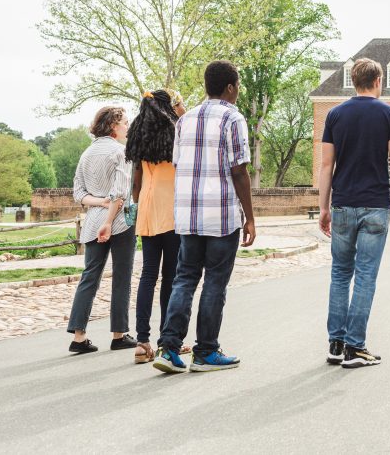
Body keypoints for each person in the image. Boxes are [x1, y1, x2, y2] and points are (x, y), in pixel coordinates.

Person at [153, 60, 256, 374]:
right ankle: (206, 351)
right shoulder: (232, 117)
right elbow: (239, 170)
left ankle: (168, 348)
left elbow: (178, 163)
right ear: (229, 87)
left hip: (188, 212)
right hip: (221, 214)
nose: (238, 91)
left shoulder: (186, 119)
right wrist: (250, 217)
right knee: (214, 282)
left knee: (185, 278)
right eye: (237, 86)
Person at [318, 58, 390, 369]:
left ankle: (335, 343)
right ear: (378, 80)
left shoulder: (335, 114)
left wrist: (323, 206)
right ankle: (355, 347)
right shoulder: (389, 114)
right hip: (374, 205)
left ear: (353, 82)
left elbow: (326, 165)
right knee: (366, 276)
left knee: (340, 274)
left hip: (342, 204)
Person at [125, 88, 190, 364]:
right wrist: (181, 108)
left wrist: (137, 203)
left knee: (148, 274)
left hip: (148, 208)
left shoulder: (139, 134)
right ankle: (168, 337)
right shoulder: (176, 132)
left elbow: (136, 181)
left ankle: (142, 341)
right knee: (171, 276)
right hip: (172, 207)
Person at [67, 106, 137, 354]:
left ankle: (78, 336)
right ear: (113, 125)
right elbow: (119, 193)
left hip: (92, 222)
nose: (128, 127)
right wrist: (109, 217)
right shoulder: (121, 152)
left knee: (89, 277)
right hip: (118, 222)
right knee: (122, 276)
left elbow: (79, 194)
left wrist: (99, 203)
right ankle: (119, 334)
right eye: (125, 123)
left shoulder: (86, 154)